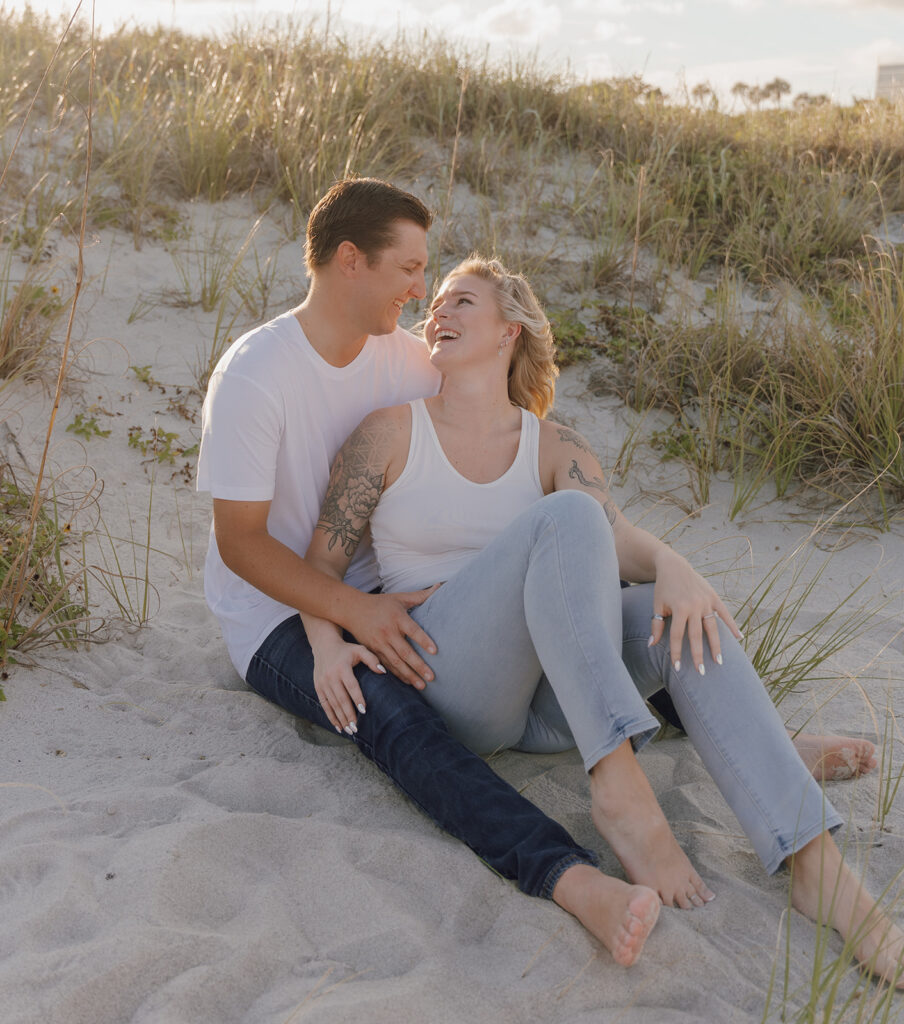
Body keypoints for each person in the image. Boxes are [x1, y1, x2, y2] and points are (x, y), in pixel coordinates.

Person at [197, 177, 877, 970]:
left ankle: (816, 862)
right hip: (372, 645)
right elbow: (276, 553)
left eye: (452, 295)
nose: (429, 302)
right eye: (420, 280)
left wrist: (675, 570)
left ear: (508, 331)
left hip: (497, 665)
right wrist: (331, 633)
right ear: (353, 262)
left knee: (673, 611)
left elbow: (608, 532)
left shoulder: (493, 407)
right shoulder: (322, 397)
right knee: (542, 548)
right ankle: (603, 813)